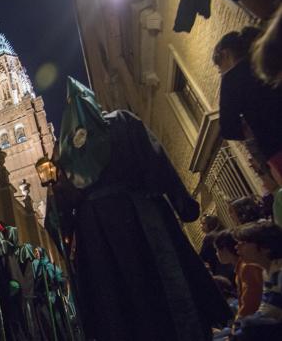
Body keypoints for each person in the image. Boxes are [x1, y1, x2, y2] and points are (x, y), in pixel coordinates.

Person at [50, 78, 232, 341]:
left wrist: (66, 240)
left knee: (116, 306)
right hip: (140, 214)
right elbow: (157, 160)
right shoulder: (123, 121)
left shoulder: (64, 152)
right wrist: (184, 205)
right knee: (163, 289)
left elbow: (58, 211)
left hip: (96, 237)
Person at [214, 27, 282, 188]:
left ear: (225, 54)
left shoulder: (232, 78)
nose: (220, 71)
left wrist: (246, 127)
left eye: (219, 66)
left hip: (275, 143)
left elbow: (228, 128)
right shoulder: (268, 57)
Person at [232, 222, 282, 340]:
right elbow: (266, 310)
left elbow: (271, 314)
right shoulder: (268, 271)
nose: (236, 247)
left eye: (243, 243)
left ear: (265, 247)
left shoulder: (279, 273)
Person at [214, 229, 263, 320]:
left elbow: (250, 302)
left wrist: (237, 324)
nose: (216, 254)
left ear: (224, 249)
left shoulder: (246, 267)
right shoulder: (240, 268)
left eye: (217, 250)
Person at [199, 214, 233, 278]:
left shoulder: (210, 237)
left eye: (203, 224)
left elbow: (202, 256)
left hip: (220, 268)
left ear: (210, 224)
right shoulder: (223, 231)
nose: (201, 226)